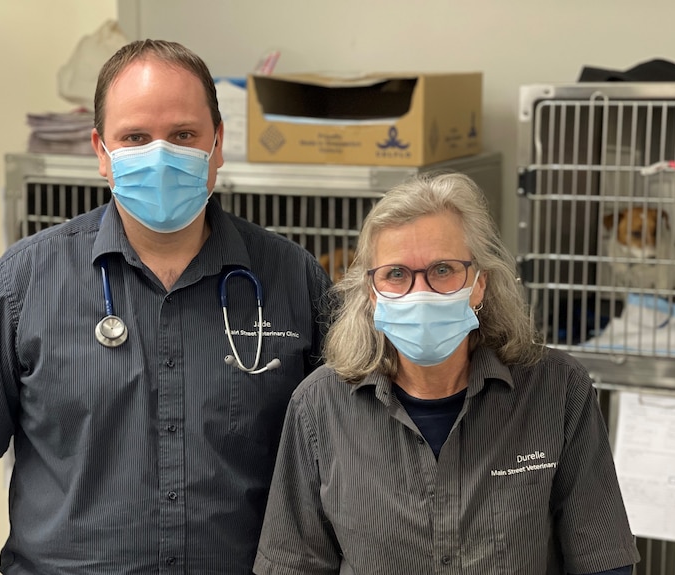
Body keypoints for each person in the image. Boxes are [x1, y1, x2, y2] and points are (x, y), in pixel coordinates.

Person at [0, 40, 331, 574]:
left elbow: (353, 450)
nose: (160, 156)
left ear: (218, 143)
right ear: (100, 152)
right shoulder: (23, 283)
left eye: (183, 136)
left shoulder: (292, 279)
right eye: (135, 138)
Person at [254, 172, 640, 575]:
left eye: (442, 270)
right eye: (396, 274)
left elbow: (603, 561)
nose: (419, 293)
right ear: (372, 293)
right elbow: (293, 565)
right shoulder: (319, 406)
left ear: (478, 285)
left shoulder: (558, 390)